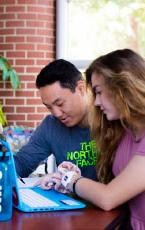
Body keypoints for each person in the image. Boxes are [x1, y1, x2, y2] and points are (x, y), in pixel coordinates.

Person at [40, 49, 145, 229]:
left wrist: (70, 179)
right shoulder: (127, 130)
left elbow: (108, 197)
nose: (96, 102)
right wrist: (75, 177)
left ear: (123, 88)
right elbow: (118, 186)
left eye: (98, 92)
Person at [14, 59, 97, 180]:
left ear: (80, 88)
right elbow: (21, 164)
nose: (56, 113)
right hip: (65, 198)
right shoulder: (51, 125)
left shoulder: (111, 119)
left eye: (60, 103)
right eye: (49, 107)